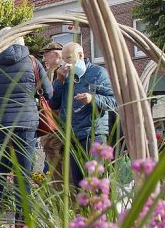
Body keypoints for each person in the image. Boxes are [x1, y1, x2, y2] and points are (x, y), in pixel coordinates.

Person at [0, 34, 52, 224]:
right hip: (26, 124)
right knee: (23, 174)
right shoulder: (33, 62)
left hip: (0, 125)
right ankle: (23, 218)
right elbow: (49, 93)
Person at [49, 42, 115, 187]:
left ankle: (100, 209)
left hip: (93, 134)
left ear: (80, 55)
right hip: (72, 135)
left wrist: (93, 99)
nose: (66, 63)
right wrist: (59, 81)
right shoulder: (64, 76)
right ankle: (83, 210)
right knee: (79, 184)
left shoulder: (98, 73)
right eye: (63, 59)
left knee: (95, 182)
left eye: (69, 58)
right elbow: (53, 104)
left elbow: (113, 101)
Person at [39, 42, 65, 178]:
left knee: (58, 164)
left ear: (56, 55)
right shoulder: (49, 72)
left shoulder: (65, 72)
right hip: (49, 126)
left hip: (59, 126)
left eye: (45, 56)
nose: (44, 60)